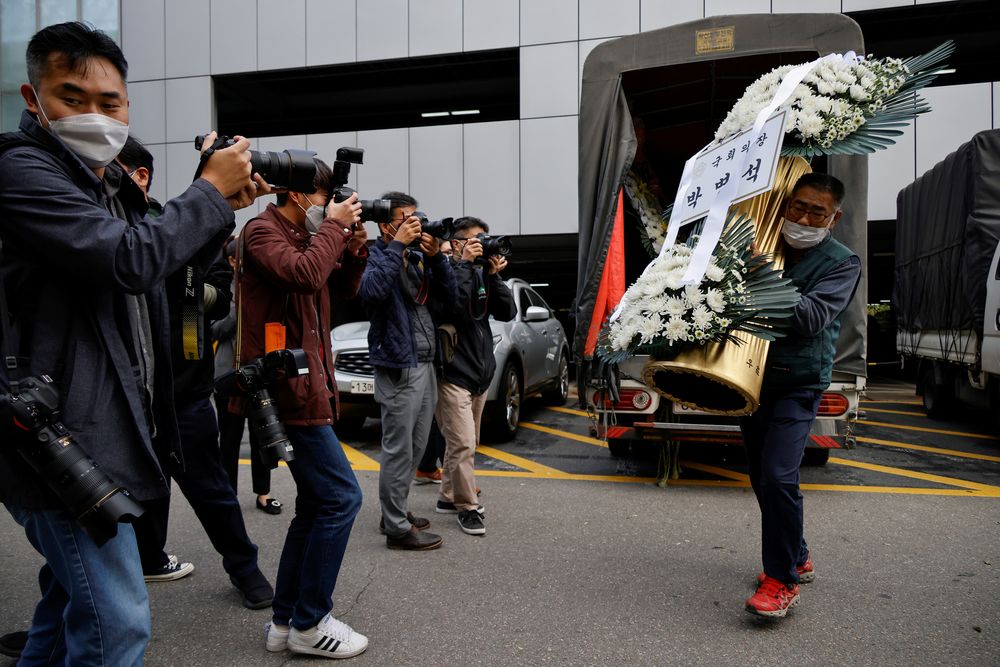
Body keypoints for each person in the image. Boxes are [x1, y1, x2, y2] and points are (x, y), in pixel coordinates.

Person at [0, 21, 265, 665]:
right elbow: (127, 259)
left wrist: (221, 206)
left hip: (110, 431)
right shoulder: (20, 168)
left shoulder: (104, 182)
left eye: (110, 101)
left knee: (64, 612)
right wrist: (207, 190)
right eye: (72, 97)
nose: (95, 114)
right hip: (61, 443)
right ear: (33, 99)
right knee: (117, 629)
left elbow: (159, 275)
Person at [117, 136, 274, 609]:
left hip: (184, 389)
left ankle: (245, 569)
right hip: (124, 394)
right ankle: (134, 565)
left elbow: (220, 295)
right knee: (110, 501)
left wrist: (184, 291)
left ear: (139, 176)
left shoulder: (175, 223)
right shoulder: (107, 231)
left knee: (211, 489)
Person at [235, 159, 369, 659]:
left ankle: (285, 620)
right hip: (284, 390)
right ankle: (311, 624)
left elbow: (340, 290)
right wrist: (335, 226)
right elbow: (306, 275)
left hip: (306, 385)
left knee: (316, 504)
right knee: (341, 498)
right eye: (323, 196)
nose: (329, 204)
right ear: (297, 195)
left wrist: (352, 248)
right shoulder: (261, 232)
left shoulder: (304, 236)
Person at [740, 173, 861, 619]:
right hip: (752, 380)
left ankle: (781, 580)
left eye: (817, 212)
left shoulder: (842, 262)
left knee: (777, 475)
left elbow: (811, 318)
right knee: (759, 475)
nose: (804, 218)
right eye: (798, 207)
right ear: (785, 204)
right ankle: (799, 553)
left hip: (799, 382)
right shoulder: (766, 240)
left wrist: (765, 274)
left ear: (835, 217)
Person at [359, 192, 457, 550]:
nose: (415, 224)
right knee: (399, 448)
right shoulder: (373, 254)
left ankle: (395, 510)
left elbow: (449, 302)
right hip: (399, 364)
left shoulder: (417, 258)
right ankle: (396, 527)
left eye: (416, 217)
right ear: (386, 224)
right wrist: (394, 248)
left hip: (426, 362)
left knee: (416, 447)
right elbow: (371, 292)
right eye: (406, 218)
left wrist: (436, 260)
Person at [434, 217, 515, 535]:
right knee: (463, 442)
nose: (484, 244)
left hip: (479, 372)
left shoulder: (483, 273)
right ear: (457, 244)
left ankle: (446, 495)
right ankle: (466, 507)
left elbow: (507, 312)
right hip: (453, 373)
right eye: (476, 239)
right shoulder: (442, 271)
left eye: (485, 239)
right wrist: (466, 266)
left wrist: (494, 277)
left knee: (465, 442)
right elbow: (452, 309)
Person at [213, 236, 281, 515]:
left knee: (261, 434)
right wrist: (237, 307)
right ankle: (228, 494)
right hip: (228, 372)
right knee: (228, 438)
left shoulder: (264, 285)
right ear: (231, 261)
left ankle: (263, 493)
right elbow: (213, 329)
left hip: (259, 372)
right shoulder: (220, 288)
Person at [415, 239, 453, 485]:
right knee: (440, 419)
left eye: (449, 252)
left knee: (435, 419)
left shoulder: (443, 272)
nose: (446, 257)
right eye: (443, 252)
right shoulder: (423, 275)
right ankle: (450, 476)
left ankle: (428, 467)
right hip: (433, 356)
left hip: (442, 355)